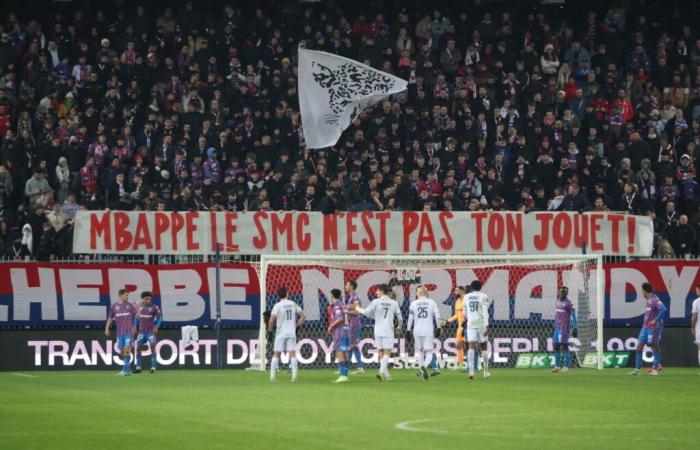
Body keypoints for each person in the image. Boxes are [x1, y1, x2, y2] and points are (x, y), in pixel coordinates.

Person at [353, 284, 402, 381]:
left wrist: (357, 308)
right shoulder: (394, 303)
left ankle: (386, 375)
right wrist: (399, 326)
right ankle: (381, 371)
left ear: (382, 291)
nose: (376, 292)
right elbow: (400, 318)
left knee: (381, 351)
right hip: (388, 329)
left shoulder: (375, 302)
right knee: (387, 351)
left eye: (377, 291)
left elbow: (366, 312)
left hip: (378, 330)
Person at [268, 287, 305, 382]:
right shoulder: (292, 303)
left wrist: (270, 333)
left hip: (281, 333)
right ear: (287, 294)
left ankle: (272, 377)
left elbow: (271, 321)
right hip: (291, 332)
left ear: (278, 295)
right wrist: (297, 327)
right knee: (292, 354)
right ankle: (294, 377)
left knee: (276, 353)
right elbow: (303, 316)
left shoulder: (277, 305)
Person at [630, 282, 667, 376]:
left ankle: (655, 369)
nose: (642, 292)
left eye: (642, 290)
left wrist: (656, 320)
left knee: (654, 346)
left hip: (653, 328)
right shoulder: (649, 300)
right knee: (639, 347)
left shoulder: (655, 300)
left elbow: (664, 310)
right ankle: (637, 370)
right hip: (645, 328)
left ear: (645, 291)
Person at [407, 285, 441, 380]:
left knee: (420, 352)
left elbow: (410, 318)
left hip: (417, 330)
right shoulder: (432, 302)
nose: (416, 294)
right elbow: (437, 316)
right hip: (428, 330)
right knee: (429, 352)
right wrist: (438, 328)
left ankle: (422, 374)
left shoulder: (414, 303)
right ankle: (424, 366)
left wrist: (408, 330)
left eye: (417, 292)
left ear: (420, 293)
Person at [105, 289, 137, 376]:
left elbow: (137, 316)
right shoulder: (114, 306)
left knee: (127, 350)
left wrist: (137, 307)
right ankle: (128, 370)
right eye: (126, 295)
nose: (127, 296)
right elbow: (110, 318)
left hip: (129, 332)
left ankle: (124, 370)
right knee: (122, 352)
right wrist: (107, 328)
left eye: (128, 295)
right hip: (120, 333)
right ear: (121, 295)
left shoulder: (130, 306)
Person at [462, 280, 491, 379]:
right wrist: (487, 325)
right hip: (481, 323)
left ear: (471, 287)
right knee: (484, 346)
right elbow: (485, 311)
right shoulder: (484, 296)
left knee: (471, 346)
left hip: (471, 323)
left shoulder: (466, 297)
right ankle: (486, 372)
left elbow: (464, 313)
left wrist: (468, 318)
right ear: (481, 287)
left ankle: (471, 372)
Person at [550, 287, 578, 373]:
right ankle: (557, 367)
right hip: (557, 328)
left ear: (566, 293)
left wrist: (575, 327)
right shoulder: (557, 301)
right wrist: (554, 325)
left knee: (565, 346)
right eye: (560, 292)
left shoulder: (569, 303)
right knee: (556, 346)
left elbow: (573, 315)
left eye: (563, 292)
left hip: (564, 328)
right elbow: (557, 315)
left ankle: (565, 368)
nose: (561, 293)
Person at [134, 291, 162, 374]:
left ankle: (153, 367)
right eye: (146, 299)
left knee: (153, 348)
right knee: (138, 348)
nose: (148, 301)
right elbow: (136, 318)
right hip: (141, 332)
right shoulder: (139, 307)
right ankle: (138, 368)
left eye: (149, 299)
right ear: (143, 299)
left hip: (150, 332)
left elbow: (160, 317)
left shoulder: (154, 307)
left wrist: (156, 326)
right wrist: (135, 326)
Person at [328, 288, 350, 383]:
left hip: (339, 331)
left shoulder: (337, 306)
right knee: (345, 352)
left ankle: (343, 375)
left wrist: (331, 326)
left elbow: (340, 318)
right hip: (346, 330)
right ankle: (345, 373)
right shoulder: (343, 304)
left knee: (339, 351)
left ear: (332, 296)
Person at [344, 280, 364, 374]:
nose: (345, 286)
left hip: (355, 324)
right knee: (353, 345)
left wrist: (346, 311)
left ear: (351, 286)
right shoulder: (351, 297)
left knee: (352, 345)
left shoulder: (355, 297)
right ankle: (359, 367)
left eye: (347, 284)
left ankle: (346, 368)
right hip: (351, 324)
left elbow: (357, 311)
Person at [446, 285, 466, 370]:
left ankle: (476, 365)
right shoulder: (457, 301)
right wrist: (448, 320)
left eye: (457, 291)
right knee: (458, 345)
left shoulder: (467, 299)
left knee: (470, 346)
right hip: (460, 327)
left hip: (468, 326)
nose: (455, 292)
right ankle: (461, 365)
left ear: (462, 291)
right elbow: (456, 315)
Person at [691, 284, 700, 373]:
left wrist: (693, 327)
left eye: (697, 290)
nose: (696, 291)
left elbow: (694, 316)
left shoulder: (697, 301)